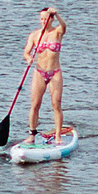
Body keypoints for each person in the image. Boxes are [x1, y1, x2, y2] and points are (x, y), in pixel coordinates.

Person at [21, 8, 68, 144]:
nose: (43, 21)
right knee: (35, 104)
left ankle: (58, 136)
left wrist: (57, 14)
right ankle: (32, 134)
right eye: (41, 18)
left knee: (56, 104)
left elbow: (64, 26)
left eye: (46, 18)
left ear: (51, 19)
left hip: (55, 72)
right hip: (39, 72)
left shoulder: (57, 32)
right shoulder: (35, 35)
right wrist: (28, 57)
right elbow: (26, 51)